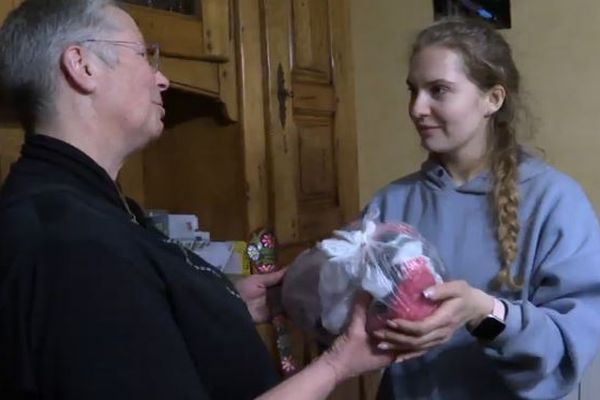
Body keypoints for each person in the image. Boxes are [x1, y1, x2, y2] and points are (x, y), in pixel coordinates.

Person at [0, 1, 397, 399]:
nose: (162, 79)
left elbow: (137, 321)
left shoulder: (90, 204)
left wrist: (218, 303)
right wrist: (339, 363)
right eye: (144, 55)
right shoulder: (72, 246)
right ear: (83, 66)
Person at [364, 17, 600, 400]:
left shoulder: (556, 202)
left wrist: (484, 313)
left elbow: (565, 349)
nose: (416, 108)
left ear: (493, 98)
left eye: (438, 90)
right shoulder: (390, 202)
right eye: (413, 90)